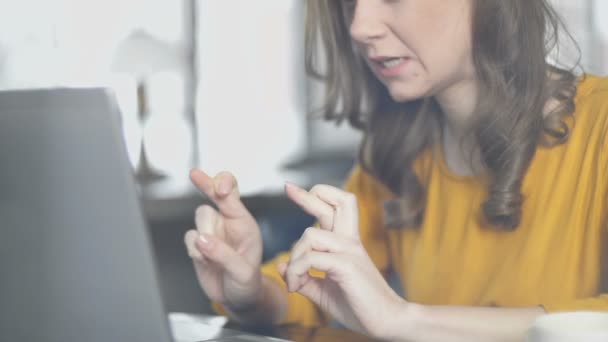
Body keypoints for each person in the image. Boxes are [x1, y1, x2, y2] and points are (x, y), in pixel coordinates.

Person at [184, 0, 608, 340]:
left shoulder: (601, 126)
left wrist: (404, 320)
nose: (359, 25)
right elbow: (320, 288)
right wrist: (252, 292)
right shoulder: (396, 153)